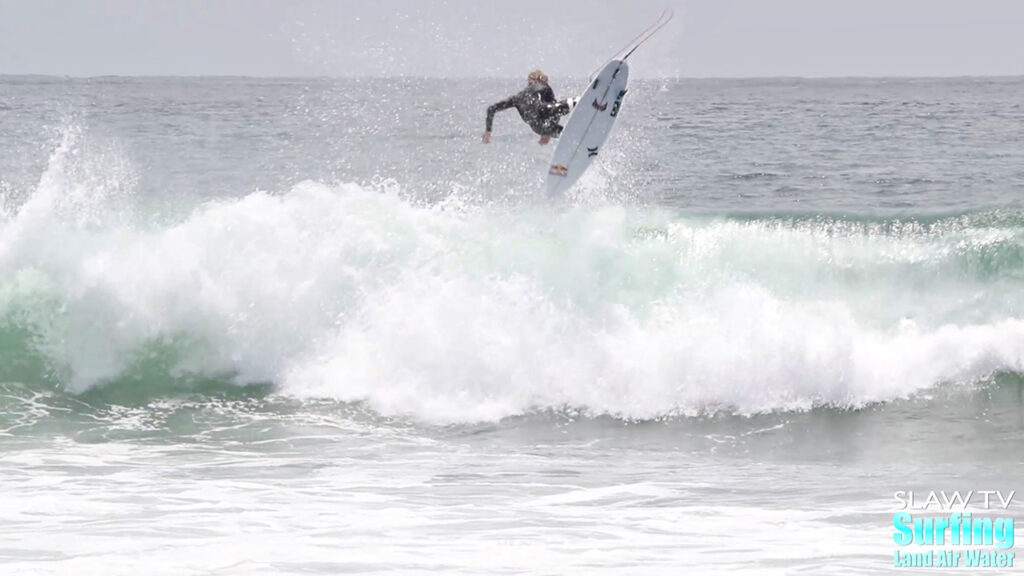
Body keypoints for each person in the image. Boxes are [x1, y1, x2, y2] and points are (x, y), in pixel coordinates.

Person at [482, 70, 573, 146]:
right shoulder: (543, 87)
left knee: (567, 135)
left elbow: (491, 109)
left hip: (538, 128)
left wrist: (488, 132)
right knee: (564, 107)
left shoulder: (517, 98)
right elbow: (551, 109)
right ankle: (578, 101)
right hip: (546, 114)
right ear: (539, 79)